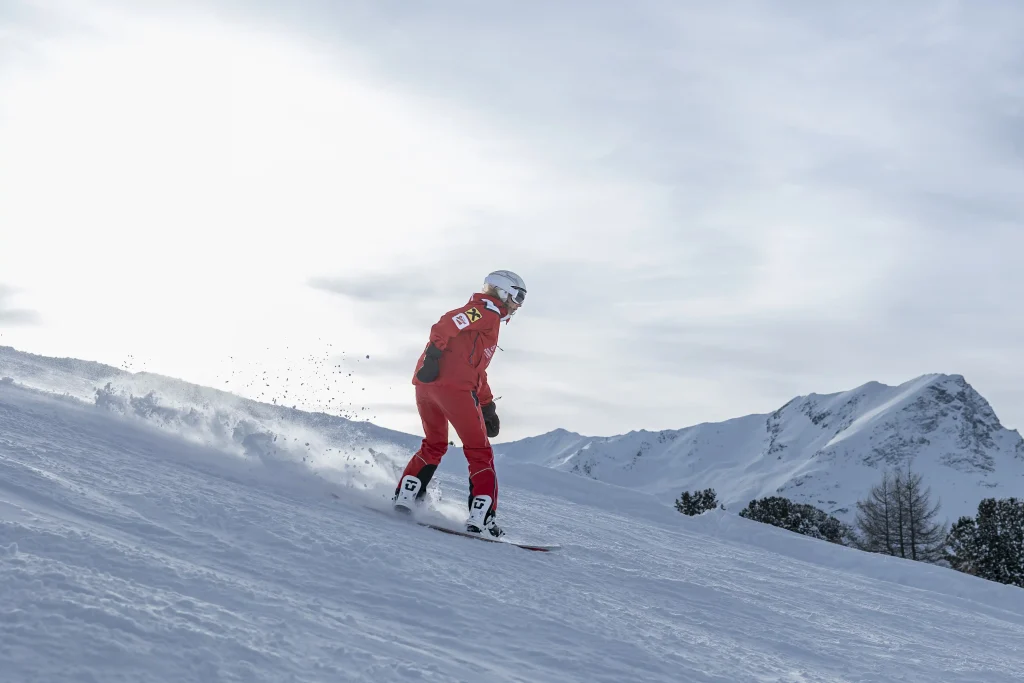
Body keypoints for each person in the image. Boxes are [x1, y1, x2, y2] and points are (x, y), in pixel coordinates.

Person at [392, 270, 527, 537]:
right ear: (503, 291)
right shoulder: (484, 312)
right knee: (480, 453)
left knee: (435, 444)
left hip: (427, 388)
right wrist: (432, 355)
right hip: (453, 391)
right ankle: (482, 519)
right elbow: (445, 325)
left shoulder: (485, 319)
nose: (519, 304)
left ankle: (405, 498)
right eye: (518, 296)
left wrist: (488, 406)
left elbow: (476, 370)